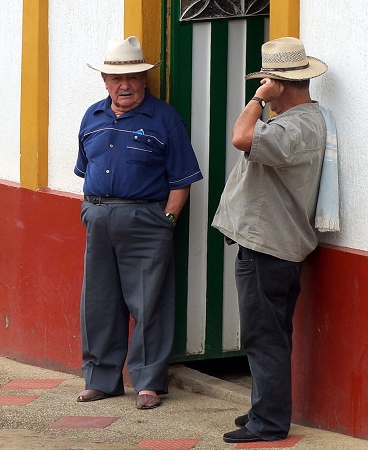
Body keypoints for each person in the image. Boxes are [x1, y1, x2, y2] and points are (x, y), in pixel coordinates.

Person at [74, 36, 203, 410]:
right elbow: (84, 168)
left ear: (145, 79)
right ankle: (101, 380)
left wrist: (166, 220)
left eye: (132, 77)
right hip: (98, 217)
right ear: (105, 81)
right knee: (98, 303)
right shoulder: (92, 116)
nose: (124, 85)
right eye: (116, 78)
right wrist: (91, 210)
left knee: (150, 304)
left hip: (147, 219)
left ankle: (148, 383)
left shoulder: (165, 119)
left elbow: (183, 179)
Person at [211, 37, 329, 443]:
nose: (264, 87)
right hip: (276, 247)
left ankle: (270, 423)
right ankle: (265, 409)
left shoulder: (295, 125)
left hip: (268, 248)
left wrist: (258, 98)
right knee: (271, 334)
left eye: (268, 80)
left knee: (265, 337)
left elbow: (241, 136)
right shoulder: (304, 122)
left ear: (278, 83)